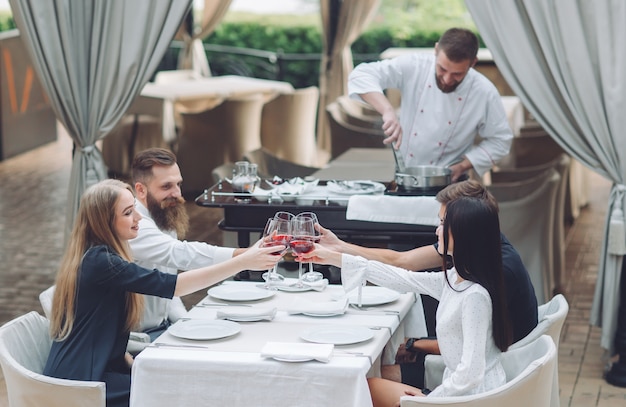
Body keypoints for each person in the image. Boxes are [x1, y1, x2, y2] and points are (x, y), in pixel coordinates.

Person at [43, 179, 283, 407]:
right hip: (81, 381)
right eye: (128, 213)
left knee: (180, 382)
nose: (138, 218)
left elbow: (106, 330)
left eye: (135, 209)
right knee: (180, 392)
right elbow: (175, 285)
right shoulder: (102, 262)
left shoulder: (101, 255)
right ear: (104, 222)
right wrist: (242, 262)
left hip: (95, 370)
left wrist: (135, 363)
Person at [316, 180, 537, 388]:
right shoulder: (461, 274)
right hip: (461, 380)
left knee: (362, 385)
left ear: (464, 229)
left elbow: (471, 370)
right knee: (369, 384)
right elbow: (404, 273)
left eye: (442, 223)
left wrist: (428, 396)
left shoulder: (478, 291)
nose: (436, 230)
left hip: (476, 389)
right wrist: (335, 254)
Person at [348, 27, 513, 181]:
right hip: (406, 176)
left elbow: (501, 140)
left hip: (452, 180)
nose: (447, 79)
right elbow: (360, 75)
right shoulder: (415, 66)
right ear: (436, 50)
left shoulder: (484, 92)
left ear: (473, 63)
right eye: (442, 69)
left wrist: (464, 165)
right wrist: (387, 110)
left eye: (457, 74)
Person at [129, 148, 246, 340]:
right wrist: (242, 257)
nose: (177, 193)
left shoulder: (164, 214)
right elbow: (181, 253)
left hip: (162, 328)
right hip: (135, 338)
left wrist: (187, 324)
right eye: (166, 187)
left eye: (178, 184)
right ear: (141, 190)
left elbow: (169, 291)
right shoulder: (134, 225)